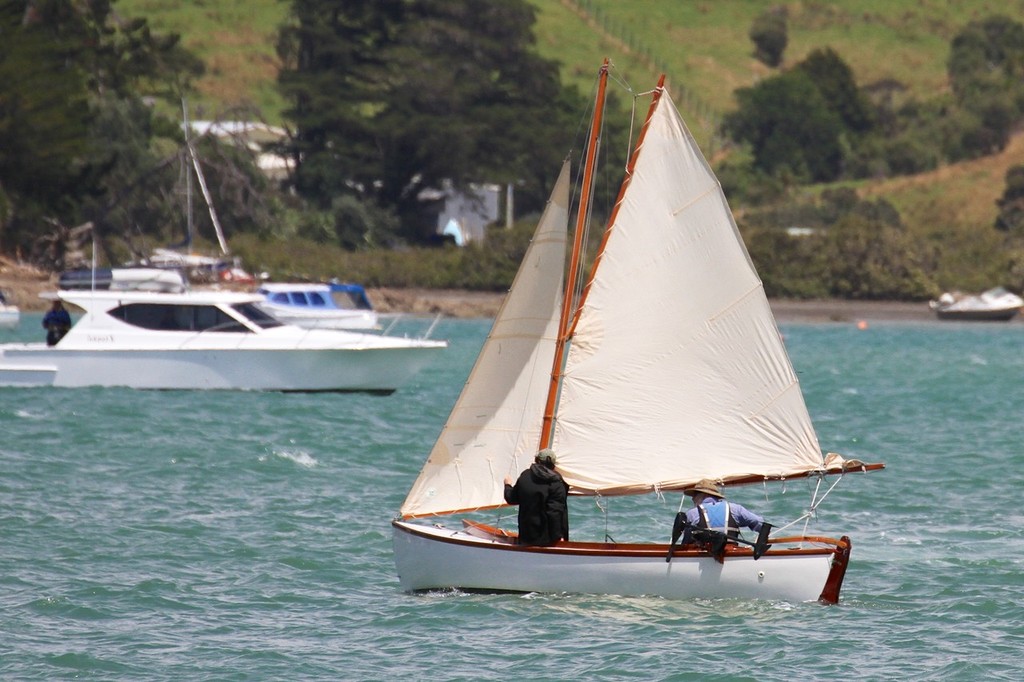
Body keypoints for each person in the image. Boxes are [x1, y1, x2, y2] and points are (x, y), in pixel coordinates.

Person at [503, 448, 569, 546]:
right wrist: (559, 537)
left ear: (537, 460)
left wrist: (507, 485)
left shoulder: (525, 476)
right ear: (553, 464)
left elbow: (511, 498)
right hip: (548, 540)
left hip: (526, 537)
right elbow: (555, 512)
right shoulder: (557, 482)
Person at [679, 478, 763, 546]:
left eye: (695, 495)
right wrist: (762, 541)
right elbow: (759, 523)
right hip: (731, 554)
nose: (692, 499)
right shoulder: (736, 509)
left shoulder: (692, 513)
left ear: (705, 495)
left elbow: (686, 541)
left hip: (704, 554)